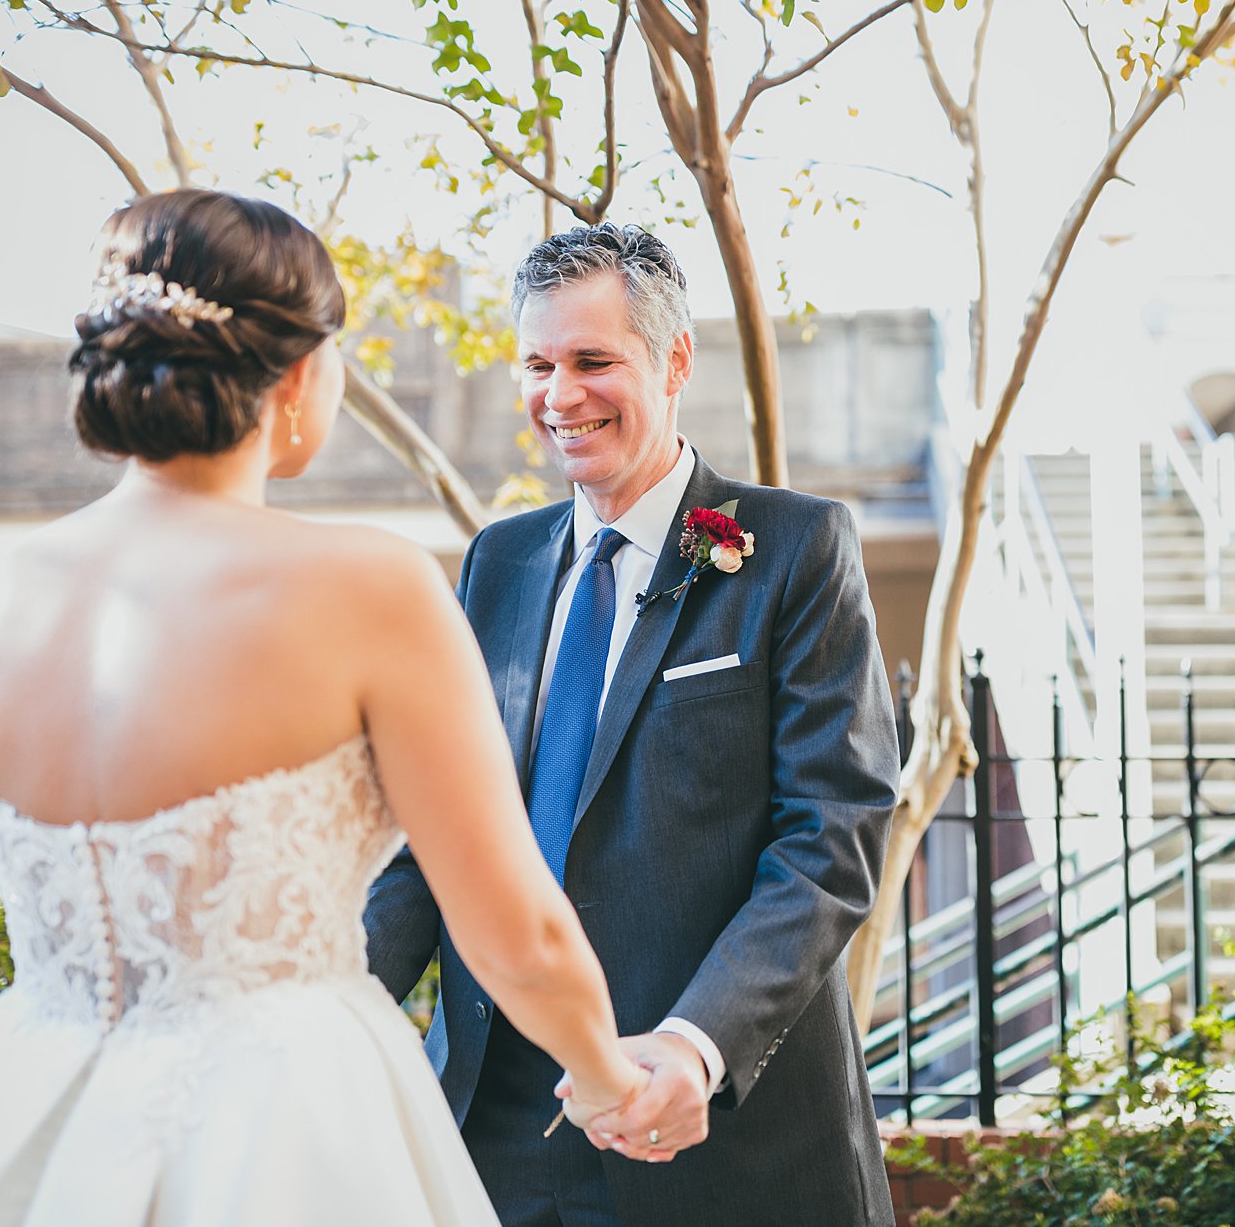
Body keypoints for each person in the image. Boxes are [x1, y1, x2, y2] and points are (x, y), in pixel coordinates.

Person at [0, 189, 651, 1227]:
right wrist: (613, 1082)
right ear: (300, 374)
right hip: (283, 1121)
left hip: (19, 1108)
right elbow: (516, 931)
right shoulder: (369, 588)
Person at [365, 223, 901, 1227]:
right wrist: (328, 1003)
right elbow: (439, 832)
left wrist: (697, 1045)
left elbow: (829, 837)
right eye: (537, 363)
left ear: (674, 361)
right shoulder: (499, 562)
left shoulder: (789, 550)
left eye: (591, 361)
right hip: (493, 1135)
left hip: (718, 1143)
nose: (558, 395)